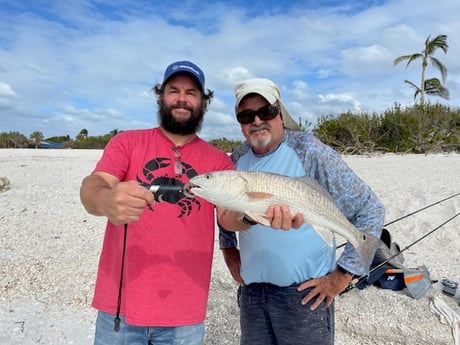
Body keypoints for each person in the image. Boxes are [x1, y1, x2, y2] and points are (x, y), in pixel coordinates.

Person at [217, 78, 385, 345]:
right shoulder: (236, 158)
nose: (257, 120)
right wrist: (228, 250)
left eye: (266, 111)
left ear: (280, 113)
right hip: (252, 296)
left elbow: (371, 209)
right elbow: (224, 203)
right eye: (247, 115)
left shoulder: (308, 150)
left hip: (304, 296)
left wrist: (342, 275)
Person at [80, 60, 234, 345]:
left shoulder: (218, 161)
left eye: (191, 93)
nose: (182, 99)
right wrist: (106, 200)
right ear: (161, 96)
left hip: (184, 315)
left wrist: (255, 215)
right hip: (120, 310)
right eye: (173, 90)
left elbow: (229, 217)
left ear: (203, 102)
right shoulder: (127, 142)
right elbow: (92, 187)